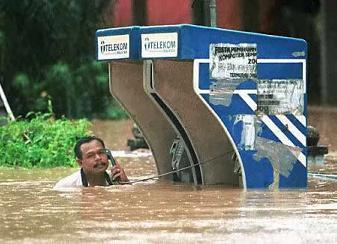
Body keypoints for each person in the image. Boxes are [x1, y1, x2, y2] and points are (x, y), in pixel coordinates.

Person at [54, 136, 128, 189]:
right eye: (91, 155)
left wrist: (126, 184)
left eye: (101, 152)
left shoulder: (117, 180)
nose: (98, 158)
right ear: (80, 163)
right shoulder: (65, 186)